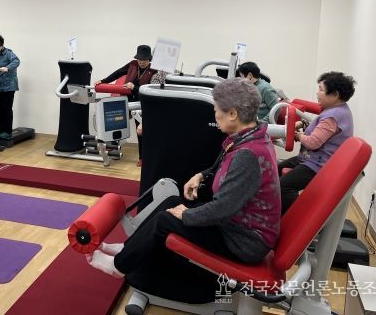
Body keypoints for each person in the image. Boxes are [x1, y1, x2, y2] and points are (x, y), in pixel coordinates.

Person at [86, 78, 281, 304]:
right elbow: (223, 168)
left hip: (243, 242)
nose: (215, 115)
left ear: (233, 114)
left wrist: (187, 215)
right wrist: (201, 176)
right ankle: (129, 248)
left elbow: (222, 208)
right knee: (172, 201)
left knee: (166, 220)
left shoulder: (247, 154)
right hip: (237, 227)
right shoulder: (249, 138)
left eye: (217, 110)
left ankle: (119, 266)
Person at [278, 71, 355, 214]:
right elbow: (319, 131)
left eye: (321, 89)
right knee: (275, 170)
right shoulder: (337, 110)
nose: (317, 93)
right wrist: (302, 126)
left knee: (284, 187)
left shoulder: (332, 117)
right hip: (309, 159)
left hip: (317, 166)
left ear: (335, 95)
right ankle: (275, 212)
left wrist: (298, 135)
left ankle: (298, 218)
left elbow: (313, 142)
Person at [96, 44, 157, 166]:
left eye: (145, 60)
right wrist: (103, 81)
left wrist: (134, 87)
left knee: (141, 131)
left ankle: (142, 158)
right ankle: (112, 147)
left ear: (149, 59)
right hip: (127, 100)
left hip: (142, 104)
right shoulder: (132, 64)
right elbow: (118, 73)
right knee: (115, 123)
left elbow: (150, 91)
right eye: (140, 59)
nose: (142, 62)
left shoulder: (154, 71)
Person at [0, 33, 20, 140]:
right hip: (0, 86)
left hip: (9, 86)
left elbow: (16, 61)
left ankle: (7, 132)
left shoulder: (8, 53)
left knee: (6, 109)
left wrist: (7, 68)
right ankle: (1, 131)